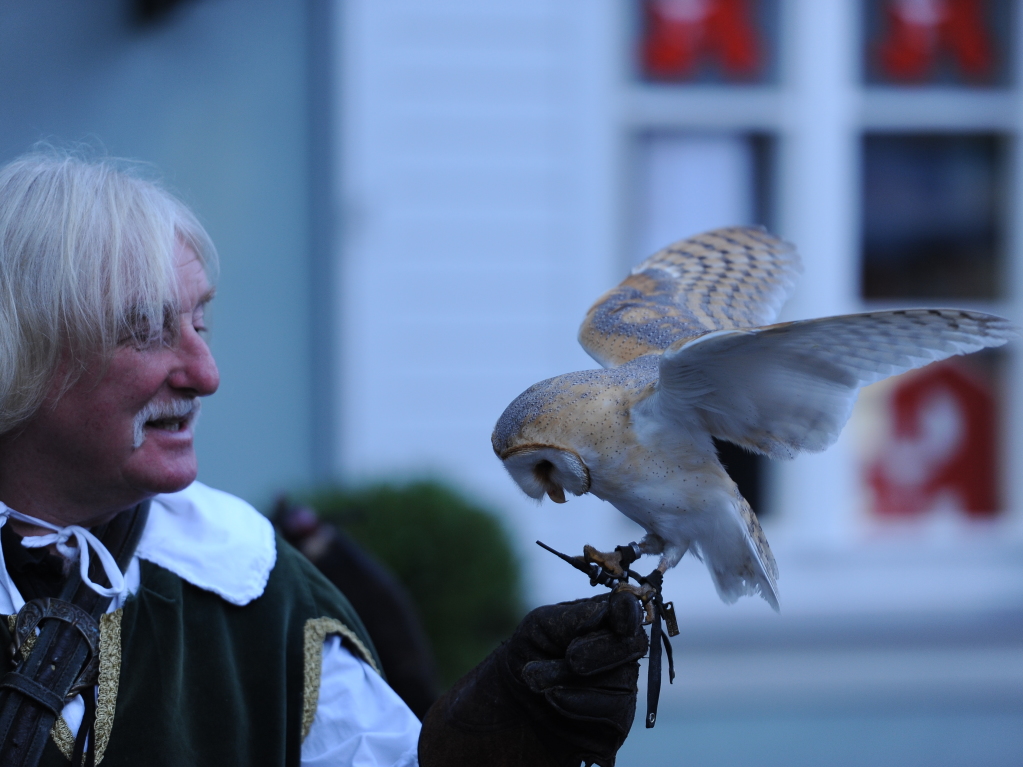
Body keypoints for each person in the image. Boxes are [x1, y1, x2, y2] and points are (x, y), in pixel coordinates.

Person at [0, 152, 647, 767]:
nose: (205, 373)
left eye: (200, 323)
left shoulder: (249, 583)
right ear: (20, 353)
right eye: (145, 330)